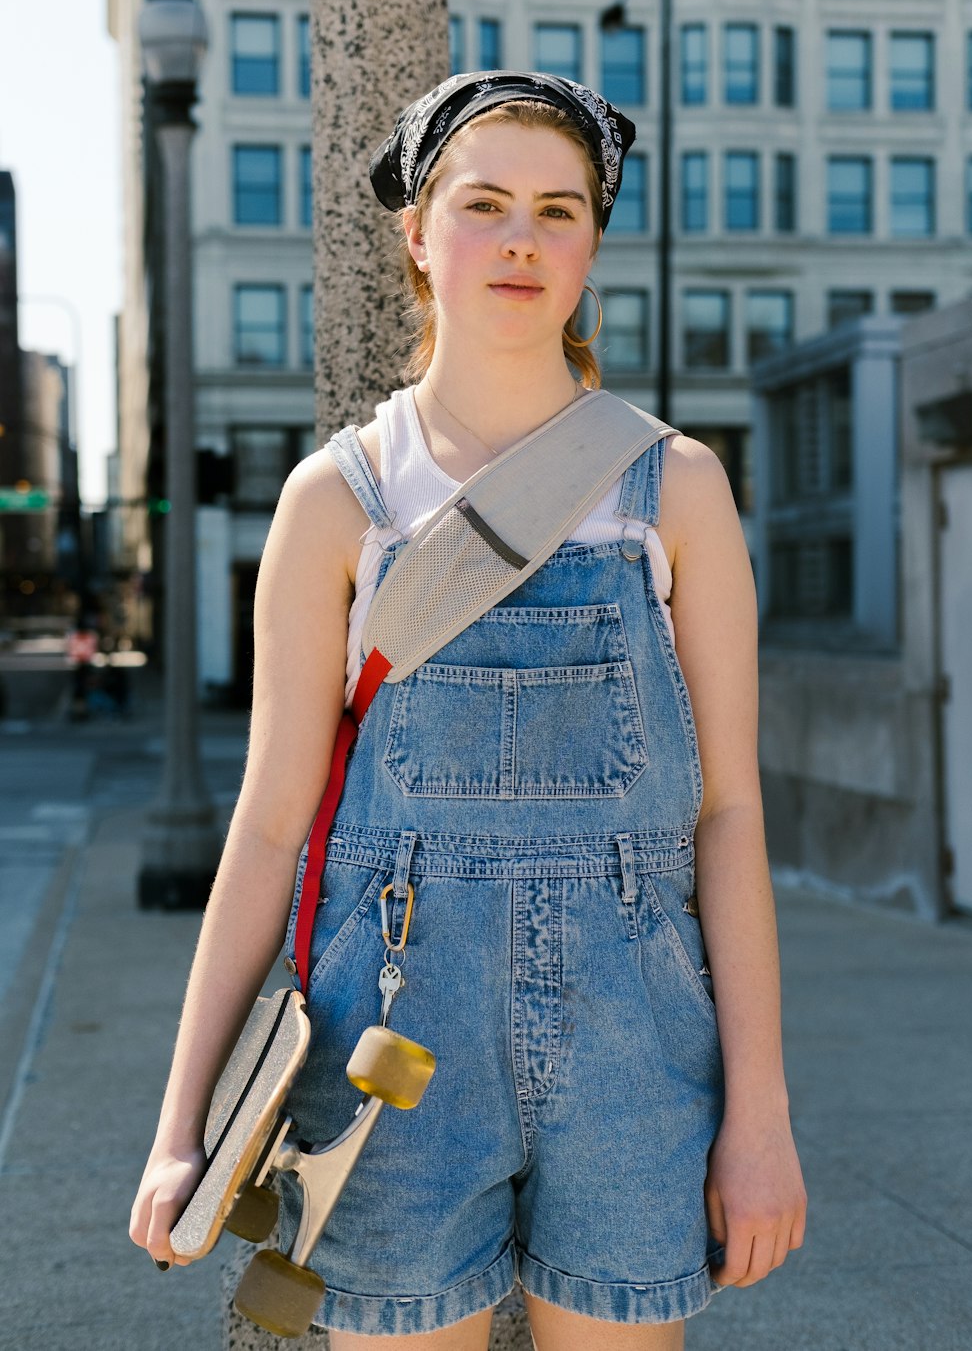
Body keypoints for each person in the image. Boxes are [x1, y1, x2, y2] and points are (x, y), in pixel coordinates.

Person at [130, 71, 807, 1350]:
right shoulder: (341, 501)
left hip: (637, 1049)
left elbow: (727, 813)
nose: (519, 239)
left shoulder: (674, 490)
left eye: (558, 211)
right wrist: (185, 1132)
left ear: (592, 242)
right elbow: (271, 827)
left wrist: (759, 1115)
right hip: (385, 1050)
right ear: (416, 232)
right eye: (483, 202)